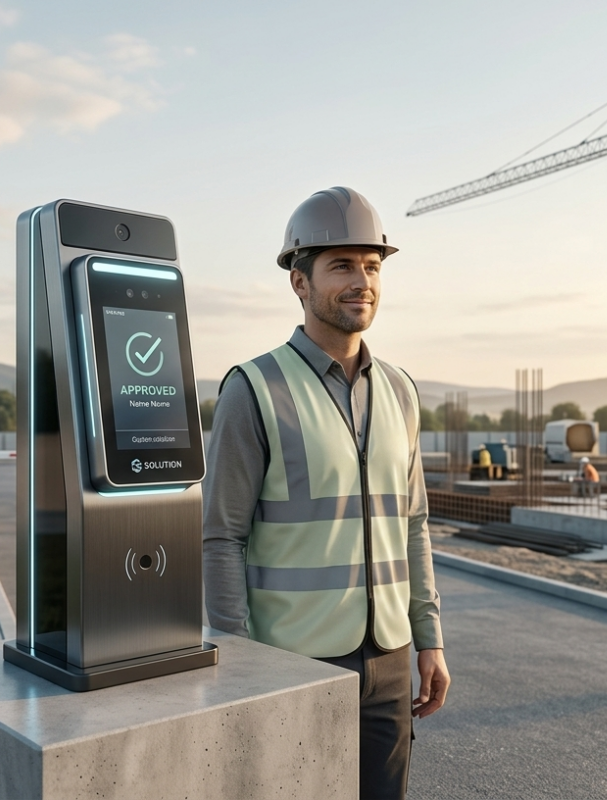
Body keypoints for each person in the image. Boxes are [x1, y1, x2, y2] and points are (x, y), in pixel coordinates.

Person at [203, 187, 448, 800]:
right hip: (292, 661)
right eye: (341, 265)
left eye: (371, 265)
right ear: (300, 281)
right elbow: (221, 536)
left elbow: (413, 525)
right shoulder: (253, 389)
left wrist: (430, 639)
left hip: (390, 659)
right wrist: (237, 660)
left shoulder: (400, 391)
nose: (361, 280)